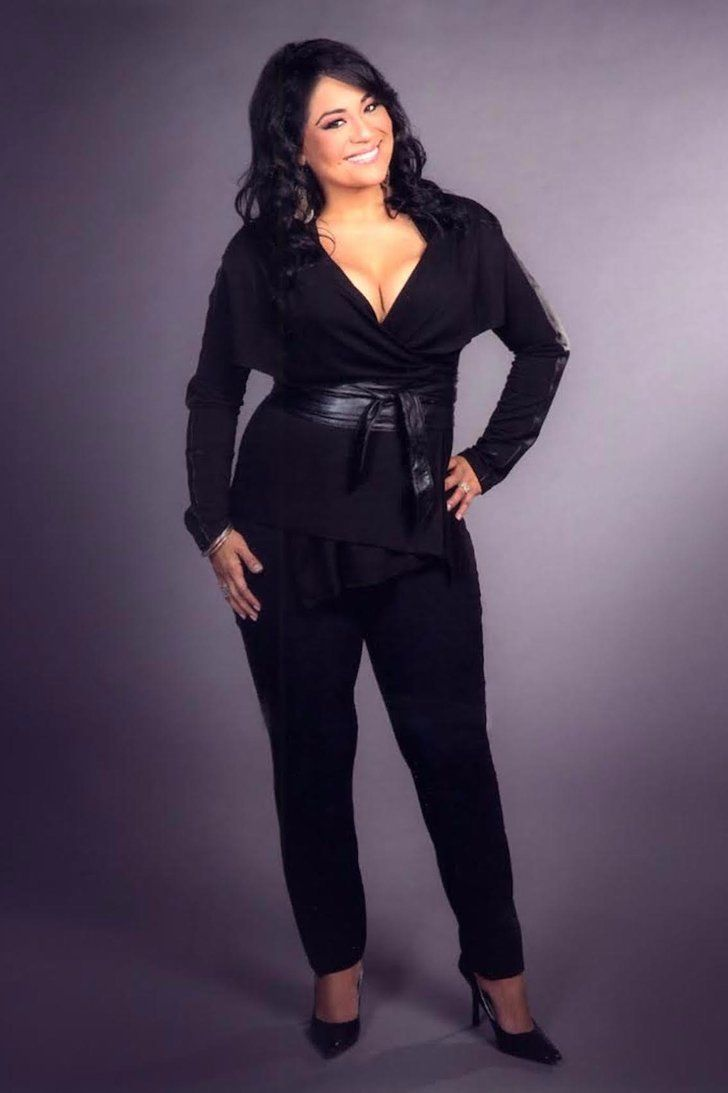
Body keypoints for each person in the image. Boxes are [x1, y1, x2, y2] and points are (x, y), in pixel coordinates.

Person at [183, 39, 569, 1064]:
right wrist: (211, 522)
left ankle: (499, 974)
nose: (363, 131)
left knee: (454, 757)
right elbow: (215, 391)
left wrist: (487, 459)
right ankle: (336, 971)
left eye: (371, 106)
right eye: (333, 120)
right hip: (284, 533)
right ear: (293, 146)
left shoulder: (462, 230)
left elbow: (541, 347)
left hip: (416, 531)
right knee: (310, 760)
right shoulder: (264, 252)